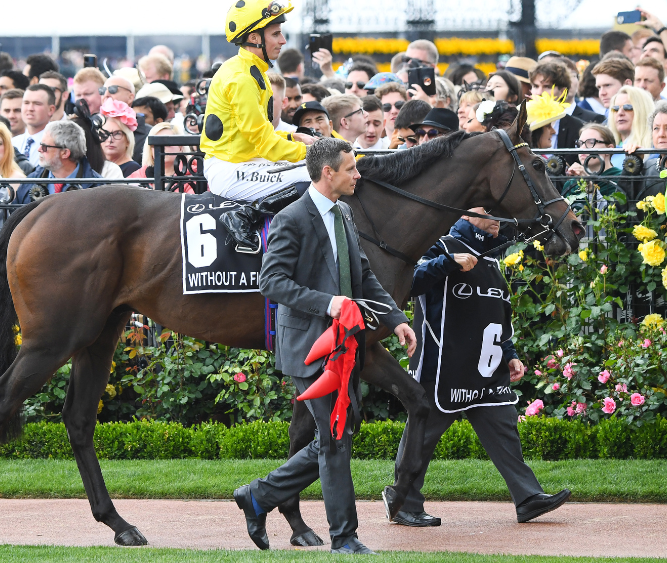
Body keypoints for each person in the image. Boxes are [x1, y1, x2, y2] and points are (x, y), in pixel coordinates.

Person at [237, 138, 414, 554]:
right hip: (308, 347)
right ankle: (344, 538)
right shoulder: (291, 218)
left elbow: (363, 275)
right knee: (335, 436)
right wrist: (329, 303)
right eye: (351, 169)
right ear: (328, 172)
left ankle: (258, 495)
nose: (358, 175)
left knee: (340, 431)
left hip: (343, 347)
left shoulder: (344, 213)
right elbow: (271, 282)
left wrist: (396, 319)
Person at [392, 208, 570, 528]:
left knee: (504, 430)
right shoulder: (440, 245)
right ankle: (403, 502)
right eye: (490, 211)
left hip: (486, 370)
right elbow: (408, 283)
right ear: (469, 212)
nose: (498, 218)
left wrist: (509, 353)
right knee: (423, 435)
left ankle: (528, 498)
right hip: (442, 366)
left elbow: (498, 314)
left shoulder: (491, 259)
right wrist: (449, 262)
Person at [200, 0, 316, 248]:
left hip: (242, 161)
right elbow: (263, 142)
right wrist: (310, 152)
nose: (283, 40)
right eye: (276, 34)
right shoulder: (242, 78)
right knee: (314, 177)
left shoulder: (253, 70)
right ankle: (245, 216)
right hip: (229, 169)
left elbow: (257, 134)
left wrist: (293, 138)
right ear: (254, 38)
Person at [15, 121, 102, 204]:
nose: (39, 149)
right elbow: (16, 213)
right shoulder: (30, 182)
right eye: (40, 144)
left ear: (65, 153)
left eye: (45, 147)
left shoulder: (98, 187)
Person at [562, 123, 622, 211]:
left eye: (591, 142)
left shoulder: (620, 179)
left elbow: (611, 216)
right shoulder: (571, 183)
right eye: (580, 143)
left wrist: (589, 186)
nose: (582, 148)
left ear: (609, 149)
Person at [621, 100, 667, 201]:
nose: (661, 134)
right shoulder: (646, 168)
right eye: (656, 128)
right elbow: (622, 205)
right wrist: (632, 164)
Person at [608, 85, 655, 169]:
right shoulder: (605, 146)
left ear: (642, 111)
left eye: (627, 107)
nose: (620, 113)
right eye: (615, 108)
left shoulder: (654, 147)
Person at [12, 84, 56, 168]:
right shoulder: (12, 143)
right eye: (26, 103)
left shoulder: (56, 145)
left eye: (37, 104)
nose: (30, 108)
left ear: (51, 109)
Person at [100, 99, 141, 177]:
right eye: (105, 133)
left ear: (128, 140)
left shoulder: (133, 169)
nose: (110, 140)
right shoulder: (96, 166)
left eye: (117, 134)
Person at [374, 82, 409, 146]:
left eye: (399, 105)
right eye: (386, 107)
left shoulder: (421, 140)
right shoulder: (373, 146)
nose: (393, 111)